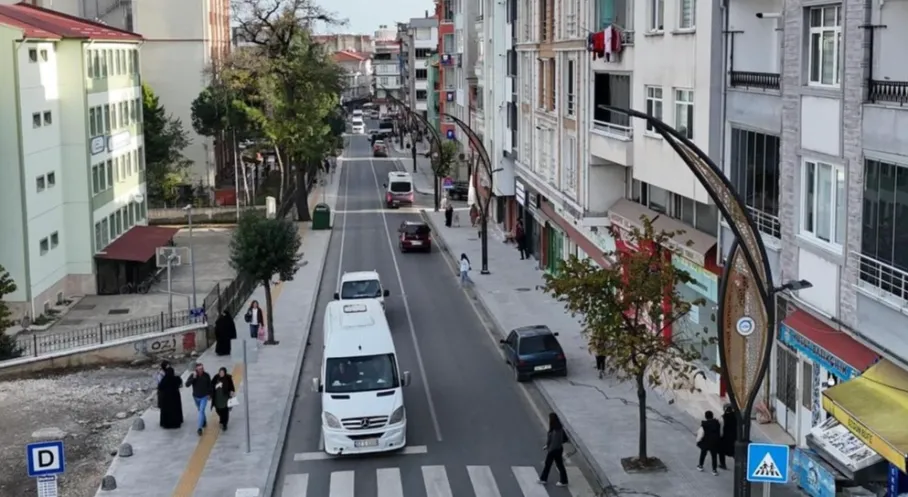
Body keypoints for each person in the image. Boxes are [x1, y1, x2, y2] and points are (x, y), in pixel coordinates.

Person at [538, 412, 569, 487]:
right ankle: (563, 480)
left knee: (549, 464)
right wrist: (547, 445)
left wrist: (549, 449)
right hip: (557, 449)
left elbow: (554, 442)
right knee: (558, 465)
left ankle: (544, 479)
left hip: (554, 450)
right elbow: (551, 439)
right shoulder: (557, 428)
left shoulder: (556, 431)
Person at [185, 363, 213, 436]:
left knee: (201, 411)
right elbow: (187, 385)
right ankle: (204, 421)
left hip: (204, 397)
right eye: (200, 369)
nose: (201, 370)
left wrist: (210, 394)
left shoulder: (206, 375)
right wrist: (193, 378)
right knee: (200, 410)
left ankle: (199, 428)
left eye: (202, 368)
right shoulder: (193, 375)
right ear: (196, 369)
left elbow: (210, 385)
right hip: (196, 397)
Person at [696, 410, 722, 475]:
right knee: (714, 456)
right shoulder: (717, 423)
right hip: (715, 442)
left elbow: (701, 434)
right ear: (712, 416)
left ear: (706, 417)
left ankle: (700, 466)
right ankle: (714, 470)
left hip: (706, 442)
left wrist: (698, 441)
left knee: (703, 454)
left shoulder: (704, 424)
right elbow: (720, 432)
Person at [719, 404, 738, 470]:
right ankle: (739, 464)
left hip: (726, 438)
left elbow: (721, 428)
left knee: (722, 451)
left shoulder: (723, 418)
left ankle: (723, 464)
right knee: (734, 452)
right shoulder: (737, 416)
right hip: (735, 436)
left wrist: (720, 436)